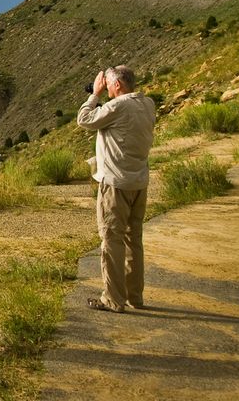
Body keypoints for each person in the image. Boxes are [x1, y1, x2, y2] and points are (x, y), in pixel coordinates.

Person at [77, 66, 156, 313]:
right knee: (134, 240)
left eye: (109, 84)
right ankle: (135, 296)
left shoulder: (118, 106)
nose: (107, 88)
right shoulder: (147, 104)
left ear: (117, 85)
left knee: (112, 239)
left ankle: (113, 298)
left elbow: (84, 120)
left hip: (115, 185)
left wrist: (95, 94)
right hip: (139, 182)